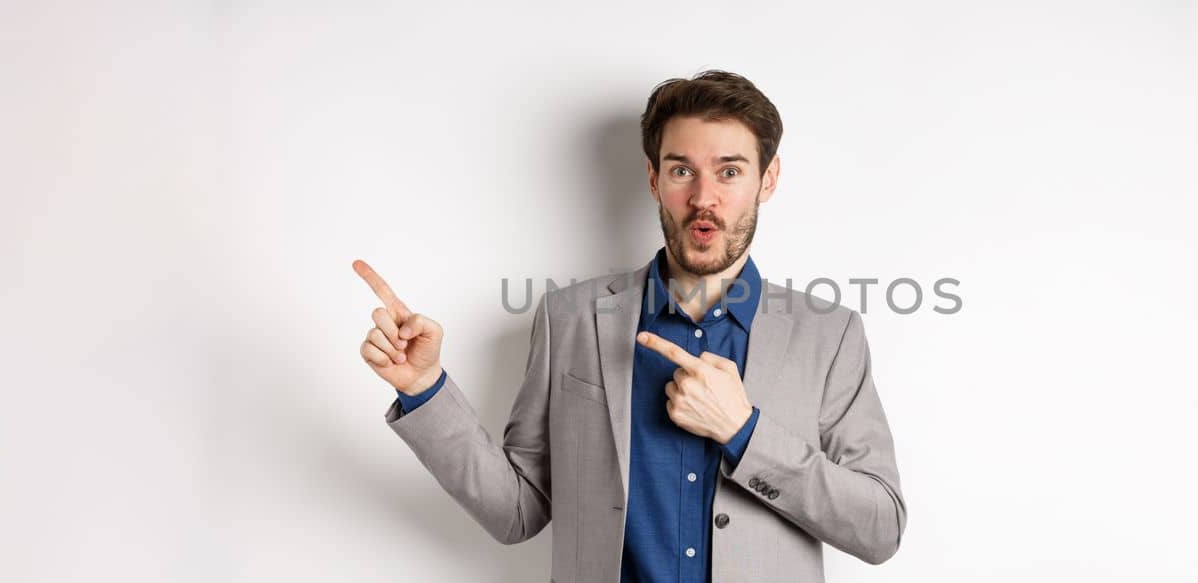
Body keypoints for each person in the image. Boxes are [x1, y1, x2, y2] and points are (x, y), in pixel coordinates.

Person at [353, 70, 905, 583]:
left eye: (730, 171)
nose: (703, 197)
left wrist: (743, 432)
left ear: (769, 178)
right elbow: (516, 512)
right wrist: (423, 388)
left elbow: (880, 528)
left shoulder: (829, 336)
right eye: (681, 170)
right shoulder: (568, 318)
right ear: (653, 177)